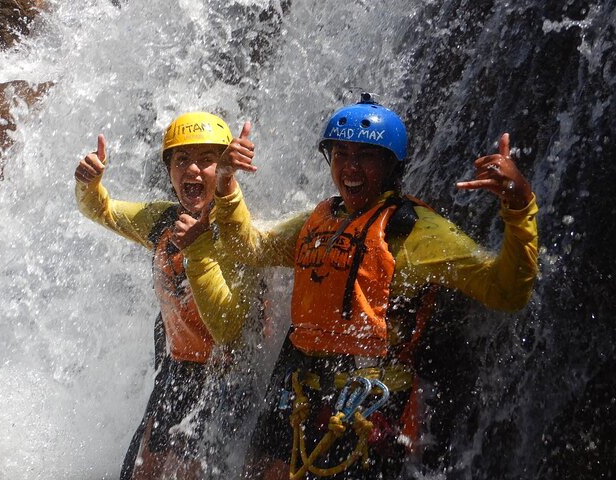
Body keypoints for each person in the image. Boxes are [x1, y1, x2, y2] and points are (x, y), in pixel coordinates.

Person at [190, 93, 539, 479]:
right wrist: (224, 184)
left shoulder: (419, 232)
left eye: (366, 156)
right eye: (341, 154)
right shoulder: (320, 219)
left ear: (391, 165)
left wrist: (519, 206)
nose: (351, 168)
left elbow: (506, 292)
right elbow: (248, 247)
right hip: (298, 384)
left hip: (367, 402)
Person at [74, 111, 261, 479]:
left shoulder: (238, 234)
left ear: (225, 169)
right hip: (178, 372)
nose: (193, 170)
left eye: (207, 160)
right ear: (170, 171)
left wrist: (198, 252)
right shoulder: (162, 220)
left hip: (226, 379)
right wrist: (90, 184)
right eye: (182, 160)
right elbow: (103, 210)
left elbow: (228, 330)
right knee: (141, 472)